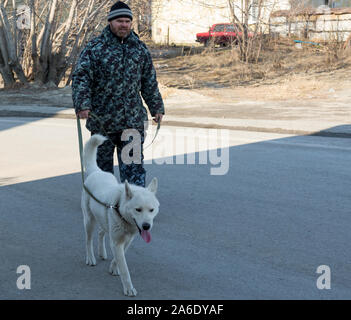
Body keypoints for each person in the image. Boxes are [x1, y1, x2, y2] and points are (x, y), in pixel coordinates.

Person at [72, 1, 164, 187]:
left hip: (132, 122)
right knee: (101, 171)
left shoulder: (139, 49)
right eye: (119, 21)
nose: (124, 24)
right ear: (110, 22)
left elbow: (148, 81)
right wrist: (82, 104)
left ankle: (134, 206)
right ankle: (103, 207)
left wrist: (156, 107)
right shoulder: (95, 48)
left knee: (134, 170)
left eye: (127, 21)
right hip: (102, 122)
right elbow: (81, 78)